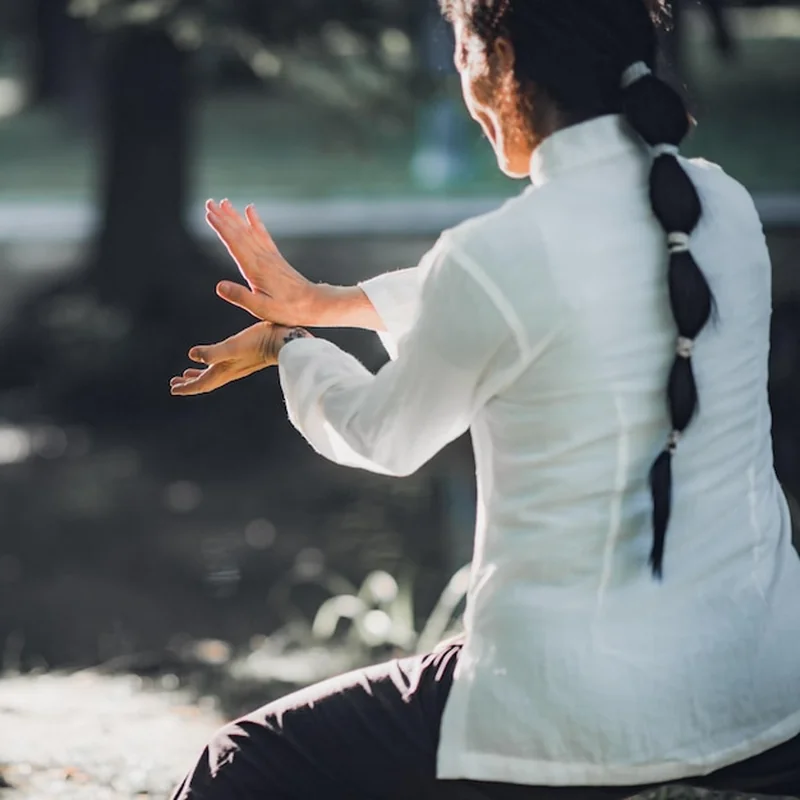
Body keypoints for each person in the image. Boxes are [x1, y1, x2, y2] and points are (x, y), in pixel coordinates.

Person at [168, 0, 800, 797]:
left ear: (499, 61)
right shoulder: (723, 207)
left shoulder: (496, 256)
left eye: (462, 53)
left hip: (575, 712)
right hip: (767, 690)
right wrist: (329, 303)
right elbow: (541, 297)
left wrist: (286, 346)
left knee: (245, 761)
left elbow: (382, 434)